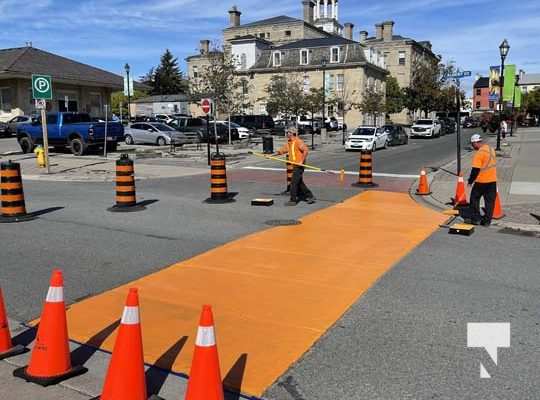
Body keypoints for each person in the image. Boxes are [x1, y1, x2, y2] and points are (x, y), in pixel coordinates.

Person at [275, 128, 315, 206]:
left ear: (292, 133)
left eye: (288, 132)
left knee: (293, 182)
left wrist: (301, 161)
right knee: (299, 182)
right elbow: (281, 151)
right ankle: (310, 196)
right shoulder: (289, 143)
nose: (286, 134)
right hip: (294, 165)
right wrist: (270, 155)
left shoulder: (298, 141)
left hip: (299, 165)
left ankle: (293, 200)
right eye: (287, 132)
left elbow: (306, 150)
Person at [467, 134, 497, 226]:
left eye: (472, 144)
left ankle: (475, 219)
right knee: (489, 202)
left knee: (474, 199)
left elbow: (475, 170)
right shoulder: (490, 149)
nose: (472, 146)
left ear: (476, 142)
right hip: (492, 180)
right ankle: (487, 221)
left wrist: (470, 181)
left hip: (481, 181)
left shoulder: (479, 154)